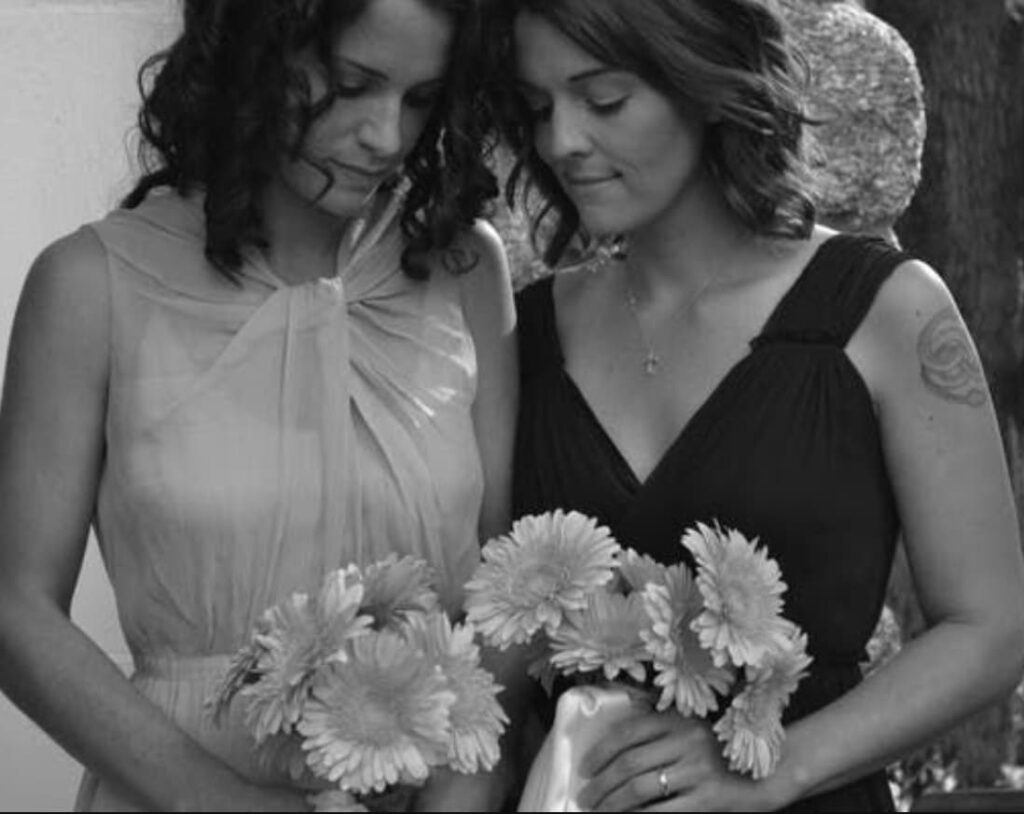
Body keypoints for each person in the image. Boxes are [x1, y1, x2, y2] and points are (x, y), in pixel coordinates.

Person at [489, 0, 1024, 810]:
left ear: (703, 84)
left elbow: (992, 629)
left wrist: (775, 767)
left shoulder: (887, 311)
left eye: (604, 101)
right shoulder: (524, 332)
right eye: (537, 108)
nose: (561, 140)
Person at [0, 0, 522, 810]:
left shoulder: (464, 268)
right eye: (353, 84)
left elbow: (504, 576)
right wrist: (218, 800)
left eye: (421, 98)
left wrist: (474, 779)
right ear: (253, 52)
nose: (387, 135)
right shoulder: (88, 285)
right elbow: (15, 609)